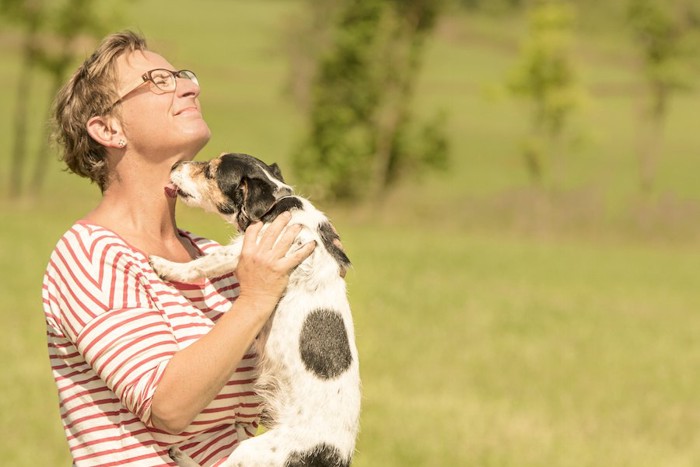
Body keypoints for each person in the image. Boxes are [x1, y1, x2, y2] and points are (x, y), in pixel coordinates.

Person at [42, 30, 316, 466]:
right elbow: (168, 407)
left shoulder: (218, 259)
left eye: (182, 75)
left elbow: (277, 402)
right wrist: (257, 299)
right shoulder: (90, 257)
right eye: (158, 80)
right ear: (107, 128)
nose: (191, 86)